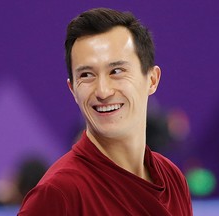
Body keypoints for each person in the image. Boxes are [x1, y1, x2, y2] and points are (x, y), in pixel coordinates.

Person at [18, 8, 192, 215]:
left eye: (116, 71)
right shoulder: (59, 194)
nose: (102, 91)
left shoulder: (173, 178)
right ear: (73, 89)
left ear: (152, 79)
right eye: (87, 75)